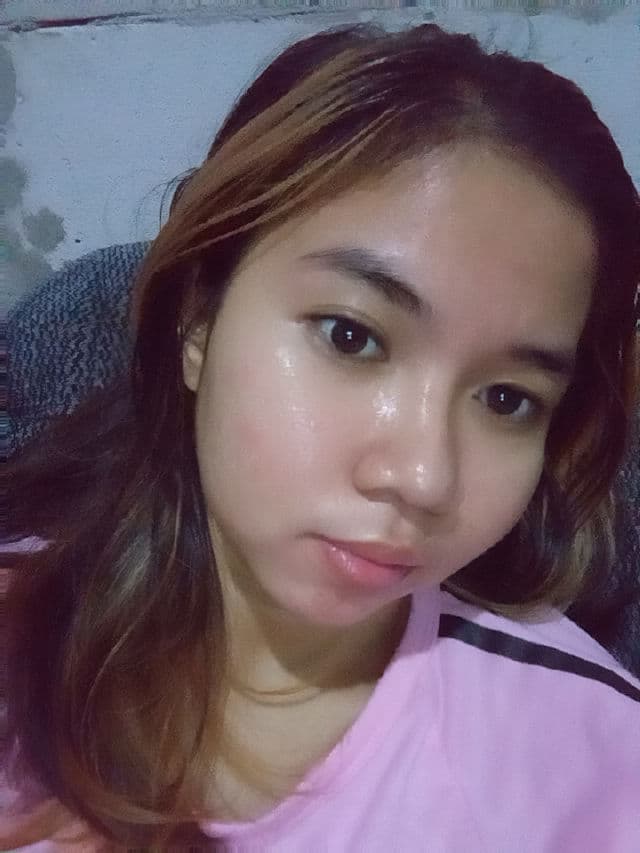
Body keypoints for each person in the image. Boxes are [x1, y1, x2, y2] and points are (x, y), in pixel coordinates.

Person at [2, 21, 640, 852]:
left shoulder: (593, 763)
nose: (422, 476)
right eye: (351, 336)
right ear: (198, 316)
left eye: (507, 398)